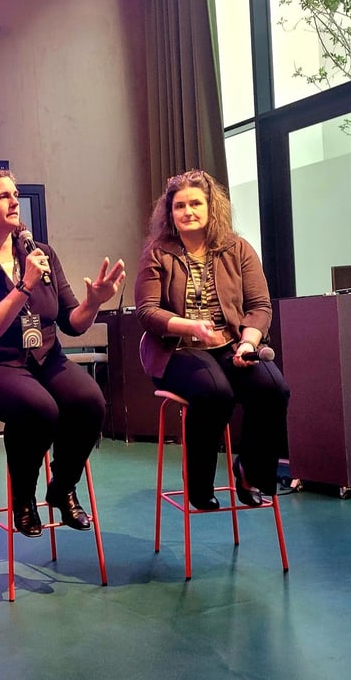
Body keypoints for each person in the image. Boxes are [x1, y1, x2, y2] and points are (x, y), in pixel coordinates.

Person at [0, 168, 126, 537]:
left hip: (43, 359)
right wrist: (23, 286)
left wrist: (94, 302)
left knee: (90, 400)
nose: (14, 201)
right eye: (2, 196)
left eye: (14, 194)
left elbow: (72, 322)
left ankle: (61, 488)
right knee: (39, 409)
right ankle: (23, 499)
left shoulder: (42, 253)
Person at [134, 169, 290, 510]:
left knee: (273, 389)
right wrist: (188, 326)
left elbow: (260, 306)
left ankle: (251, 472)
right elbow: (146, 312)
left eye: (195, 204)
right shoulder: (157, 252)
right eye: (179, 206)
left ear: (211, 207)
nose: (187, 211)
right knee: (214, 392)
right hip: (176, 349)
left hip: (230, 344)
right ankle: (200, 484)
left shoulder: (238, 248)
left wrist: (248, 343)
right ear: (169, 212)